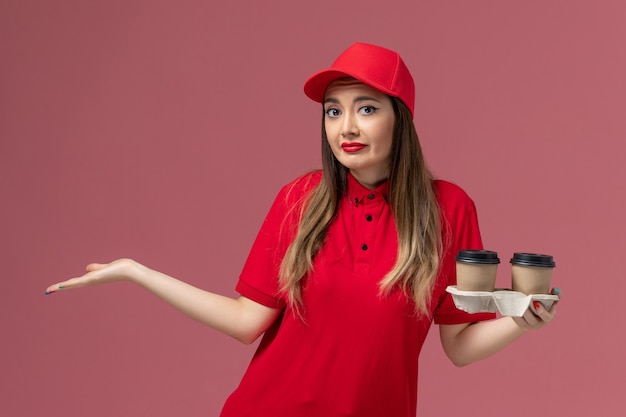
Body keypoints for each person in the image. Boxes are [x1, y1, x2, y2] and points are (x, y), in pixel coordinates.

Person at [45, 42, 559, 417]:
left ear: (401, 119)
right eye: (334, 111)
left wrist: (521, 320)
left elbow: (459, 346)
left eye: (367, 108)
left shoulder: (449, 209)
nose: (346, 127)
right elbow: (248, 321)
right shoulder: (300, 199)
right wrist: (138, 272)